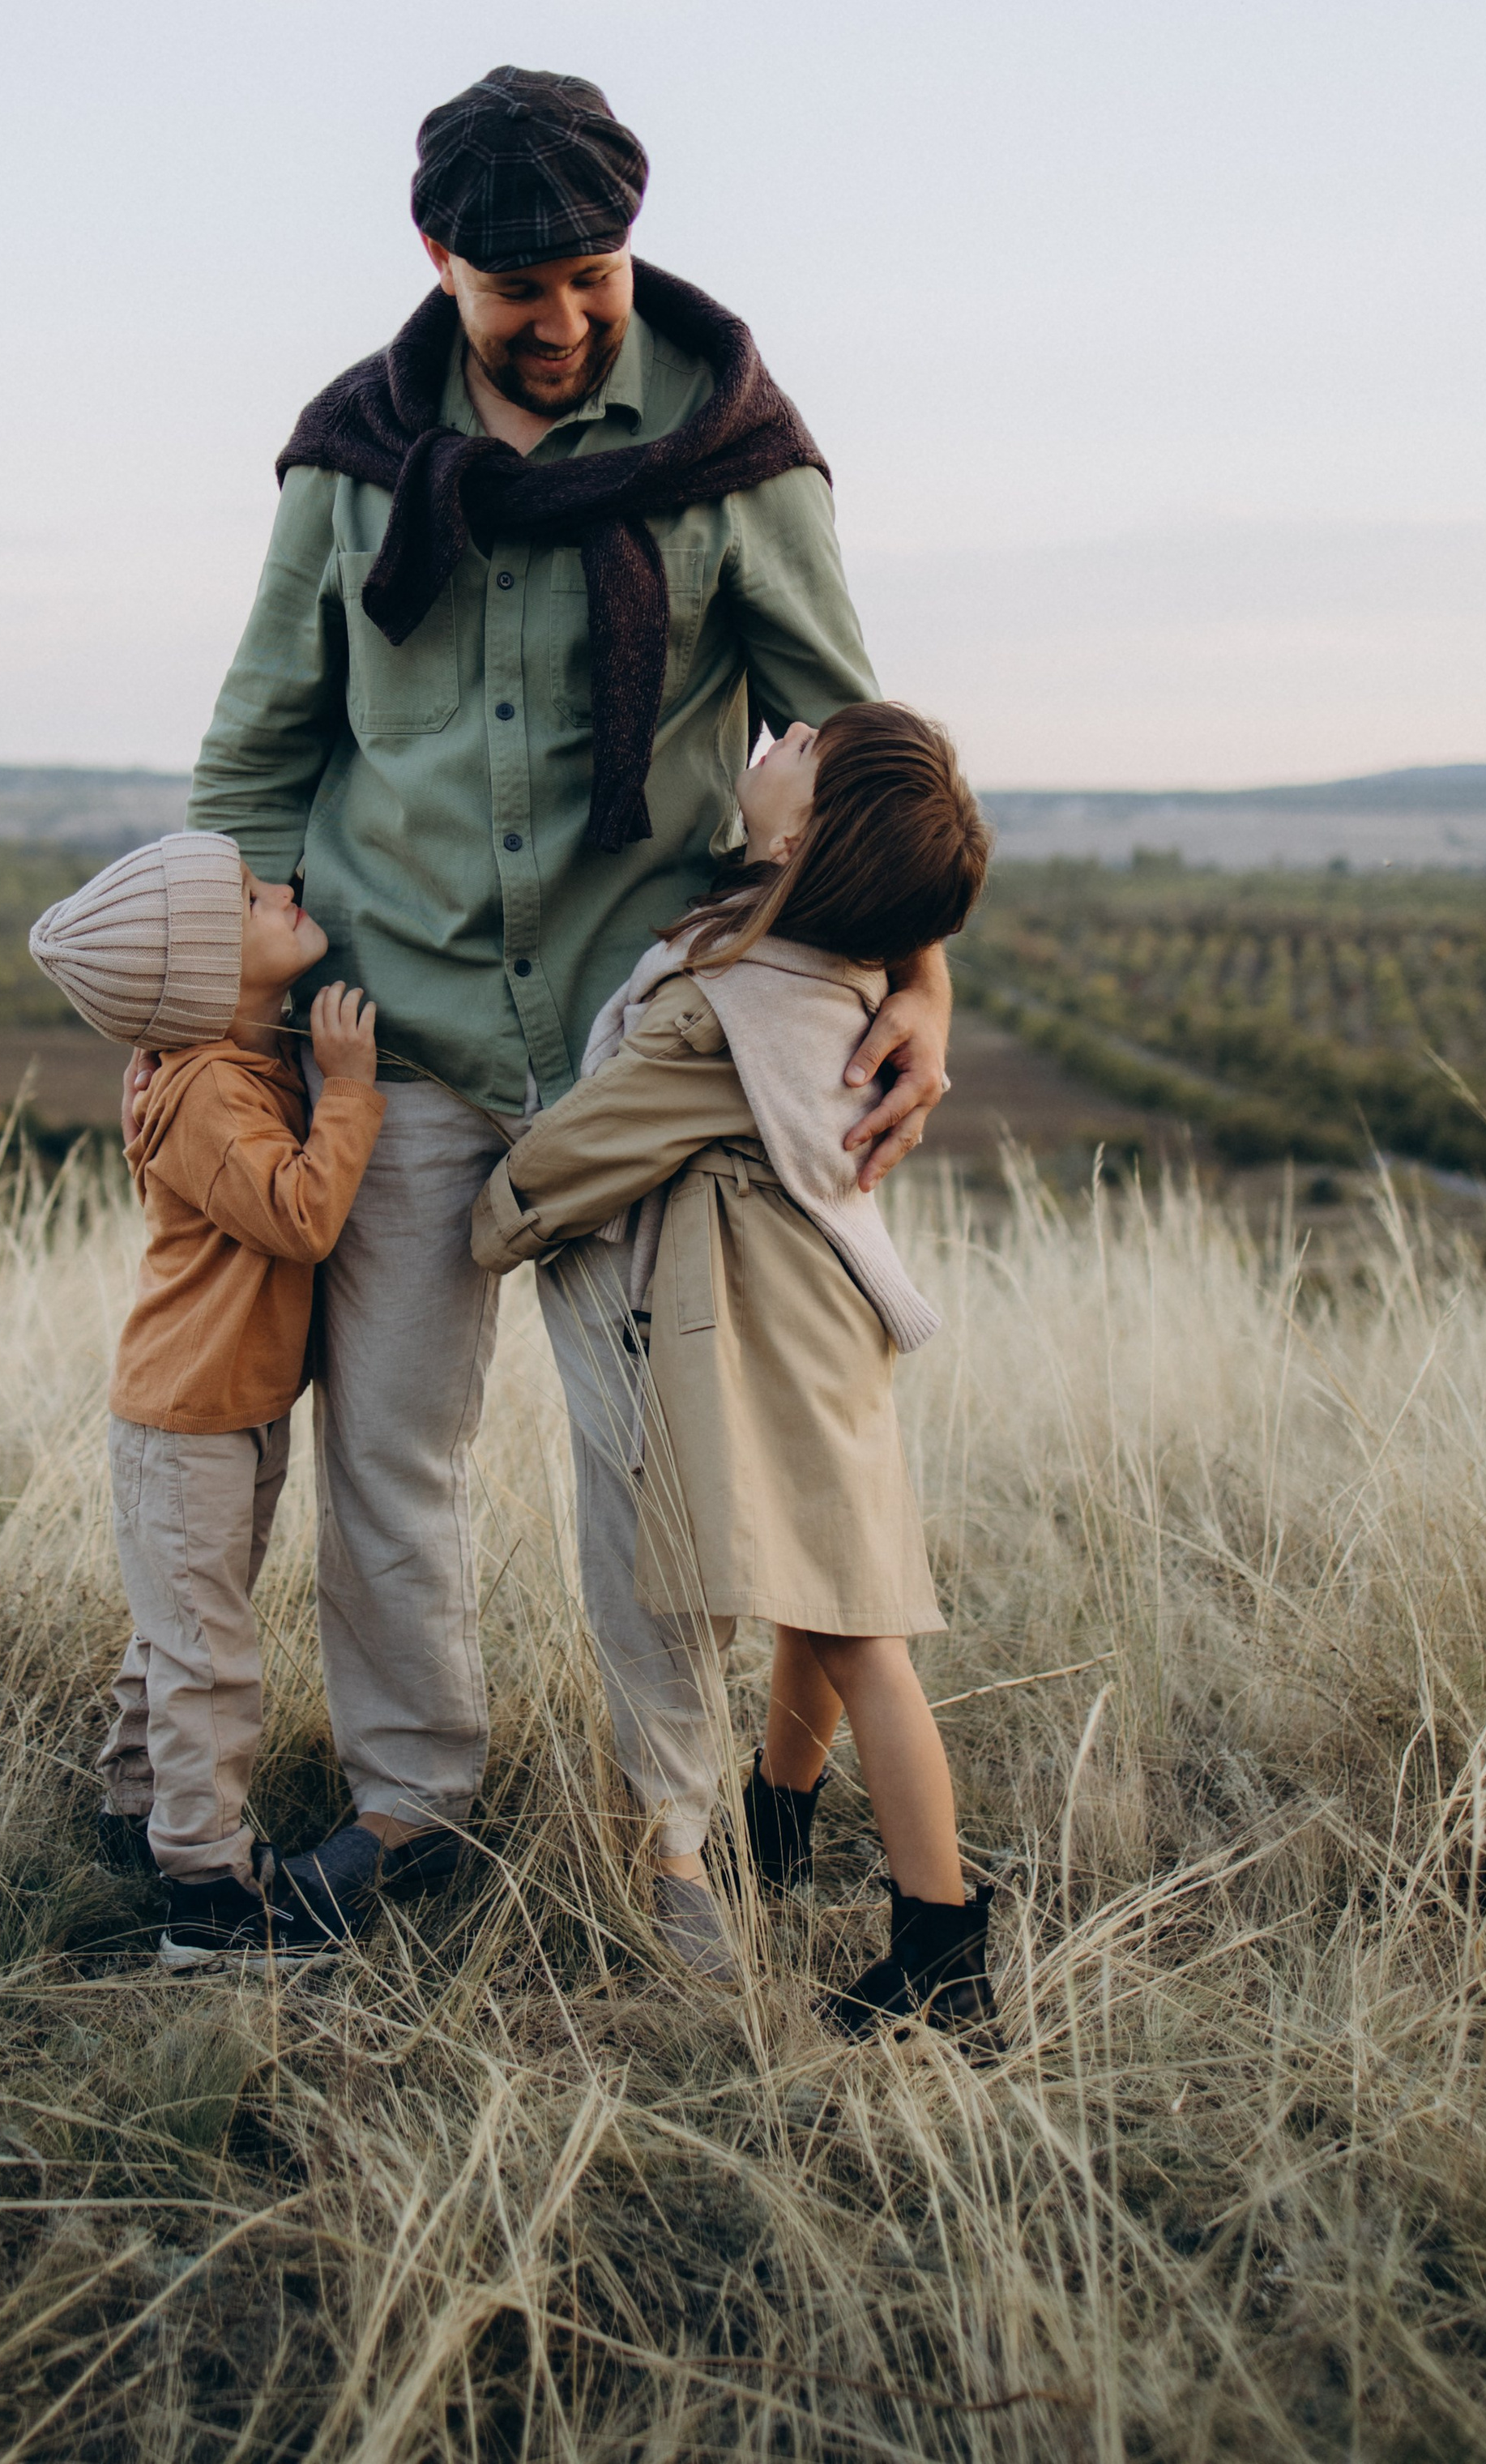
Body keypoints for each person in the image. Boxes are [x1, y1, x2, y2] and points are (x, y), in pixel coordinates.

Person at [179, 65, 954, 1941]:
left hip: (650, 1060)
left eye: (592, 277)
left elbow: (848, 746)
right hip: (400, 1035)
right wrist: (227, 1023)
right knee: (390, 1453)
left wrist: (915, 978)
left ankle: (663, 1836)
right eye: (518, 287)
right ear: (439, 258)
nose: (562, 321)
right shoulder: (345, 465)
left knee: (659, 1472)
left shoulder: (736, 455)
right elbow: (256, 757)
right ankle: (410, 1807)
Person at [468, 704, 998, 2035]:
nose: (784, 728)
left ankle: (943, 1954)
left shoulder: (733, 1009)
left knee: (852, 1624)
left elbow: (598, 1139)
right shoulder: (831, 966)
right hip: (824, 1319)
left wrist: (490, 1218)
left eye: (804, 747)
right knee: (813, 1588)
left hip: (774, 1327)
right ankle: (778, 1815)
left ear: (803, 832)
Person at [28, 830, 386, 1970]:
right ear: (197, 978)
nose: (281, 891)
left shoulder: (223, 1063)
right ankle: (207, 1894)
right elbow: (299, 1214)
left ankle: (137, 1815)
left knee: (182, 1626)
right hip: (189, 1419)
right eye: (246, 898)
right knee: (208, 1656)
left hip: (220, 1406)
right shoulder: (206, 1096)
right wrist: (355, 1093)